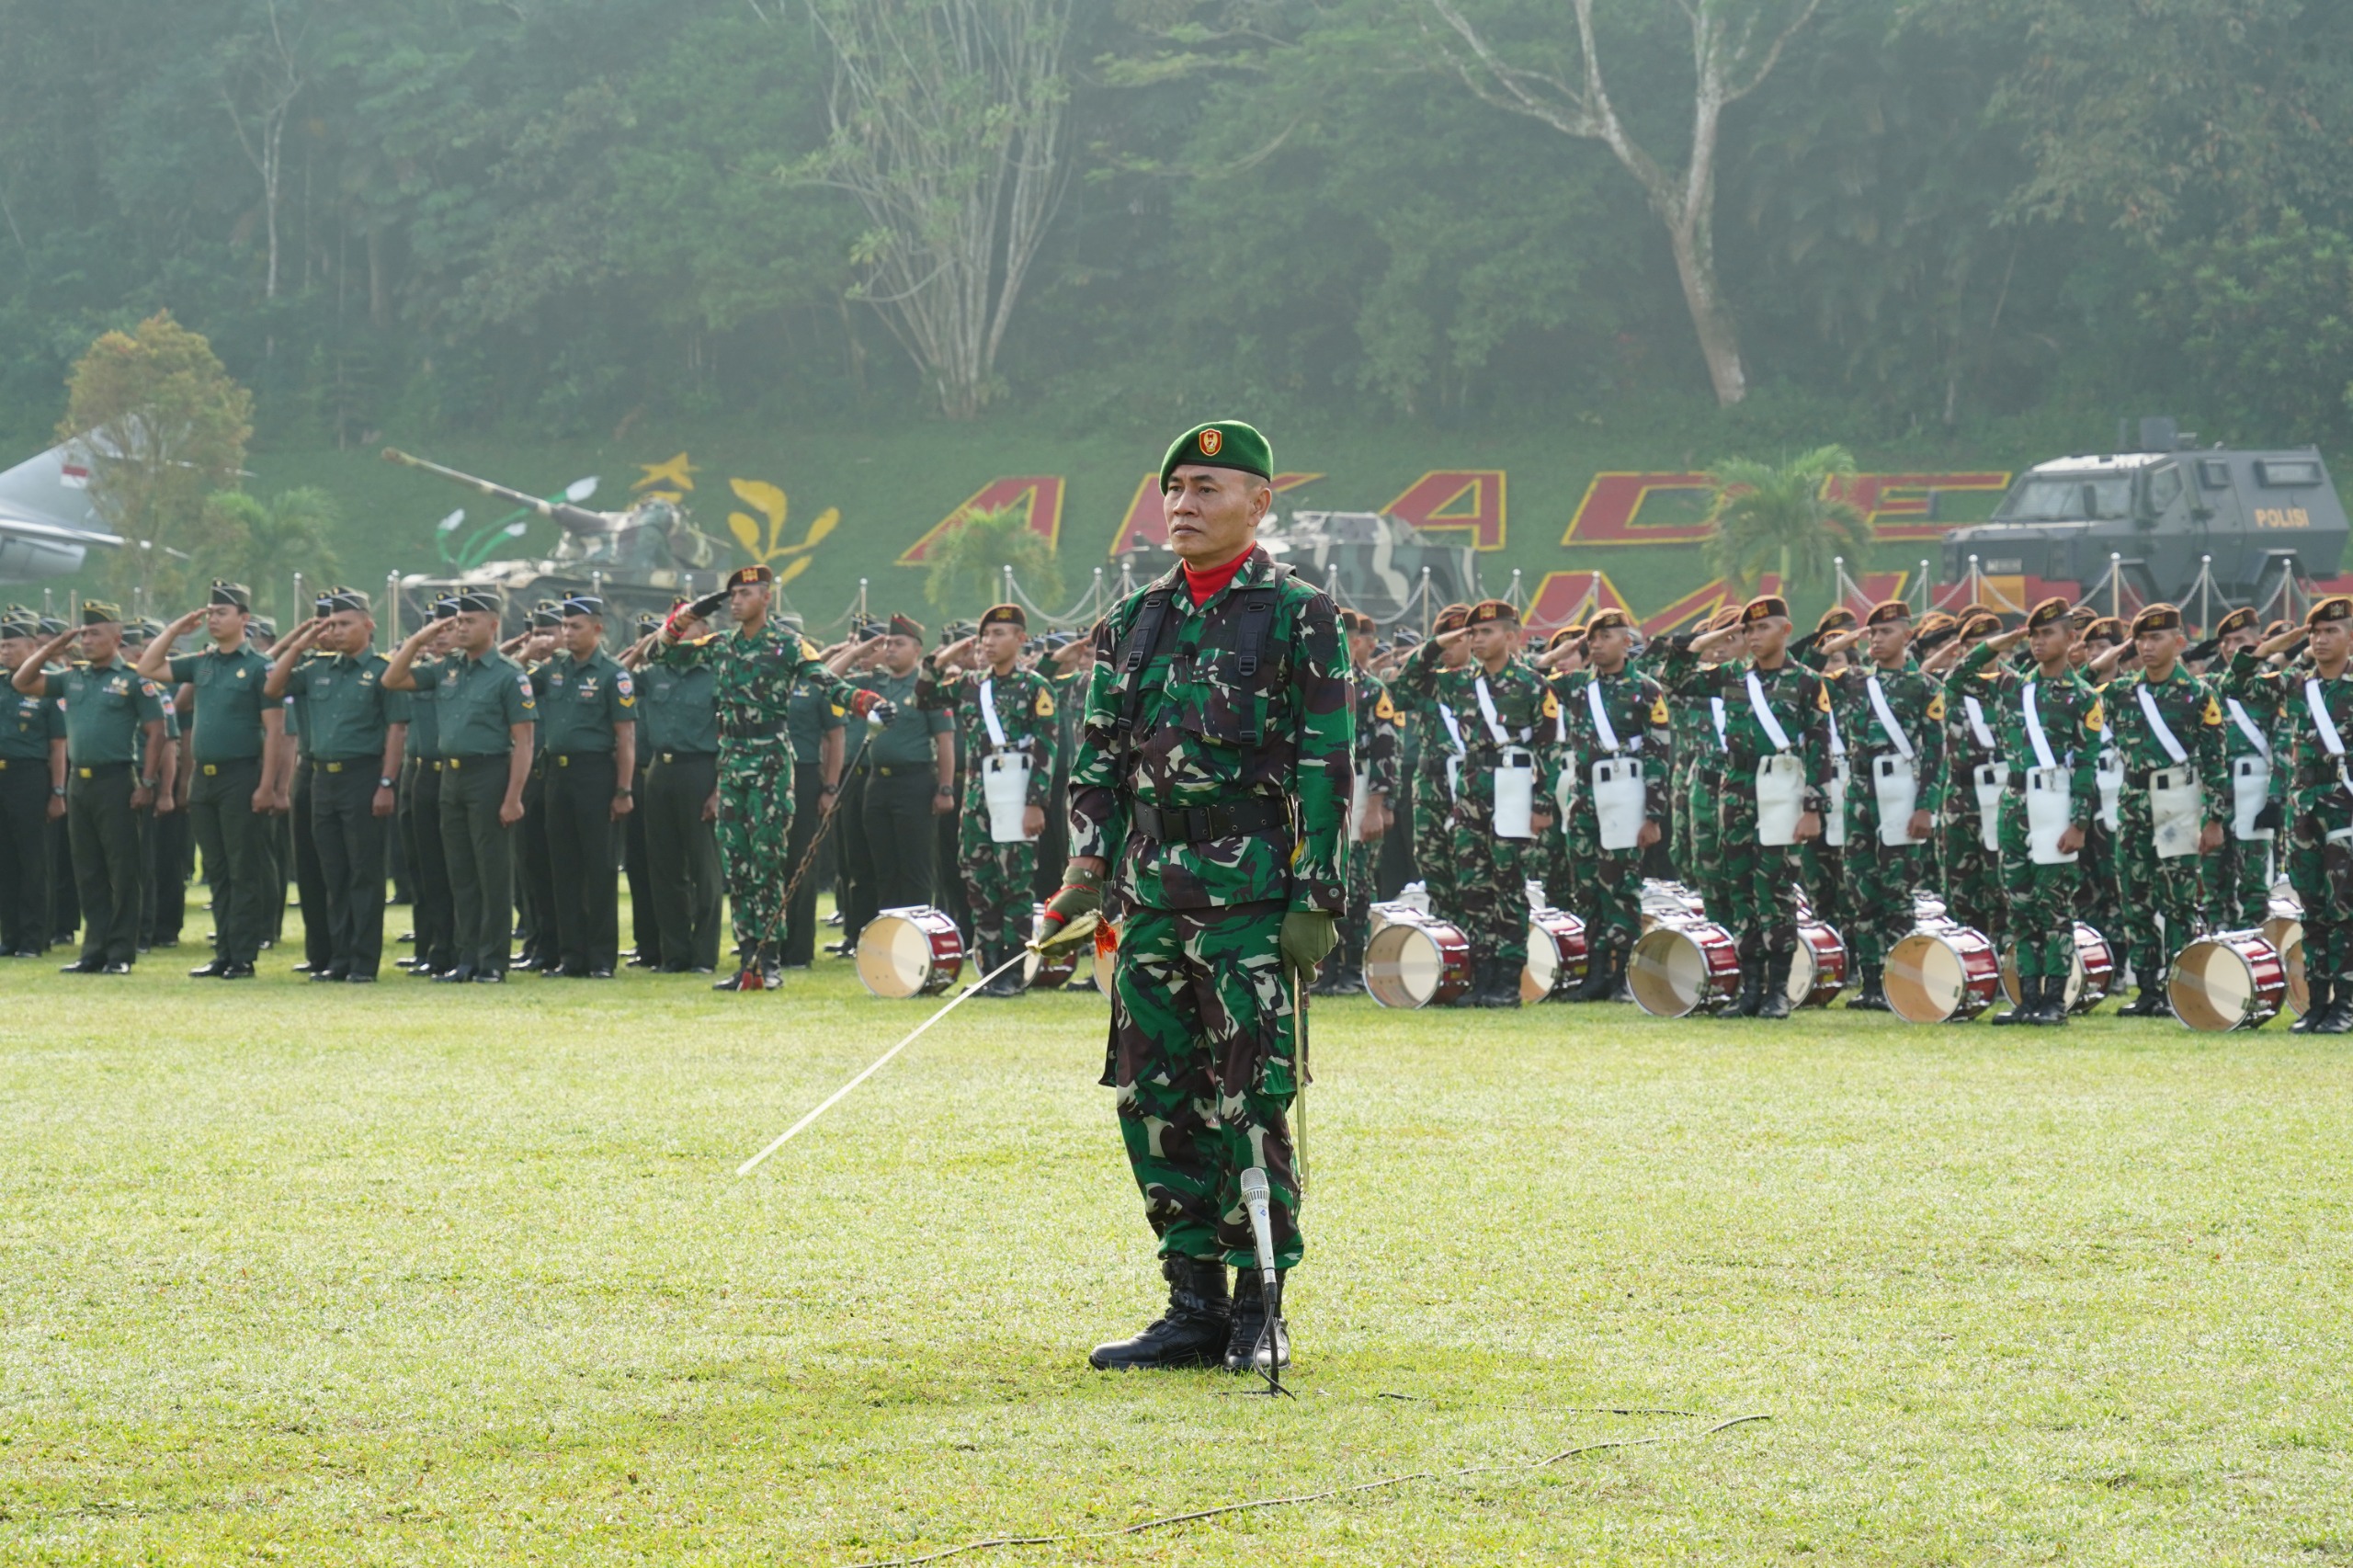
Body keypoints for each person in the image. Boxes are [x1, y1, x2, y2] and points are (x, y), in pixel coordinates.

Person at [1043, 418, 1349, 1375]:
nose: (1183, 502)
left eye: (1208, 486)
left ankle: (1262, 1301)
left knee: (1250, 1096)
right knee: (1153, 1094)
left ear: (1260, 502)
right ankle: (1192, 1303)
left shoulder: (1300, 614)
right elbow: (1096, 760)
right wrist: (1081, 879)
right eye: (1174, 486)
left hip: (1251, 897)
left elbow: (1326, 760)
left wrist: (1317, 895)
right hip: (1149, 900)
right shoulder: (1135, 617)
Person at [654, 563, 883, 991]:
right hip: (732, 759)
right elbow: (660, 653)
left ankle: (769, 957)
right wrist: (684, 617)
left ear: (766, 598)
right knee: (736, 864)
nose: (736, 601)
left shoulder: (789, 646)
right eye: (731, 595)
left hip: (771, 762)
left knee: (767, 861)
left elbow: (827, 683)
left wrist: (866, 702)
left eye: (745, 593)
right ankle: (747, 957)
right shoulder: (719, 644)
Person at [1661, 595, 1830, 1018]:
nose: (1754, 637)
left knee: (1774, 890)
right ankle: (1749, 988)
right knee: (1739, 888)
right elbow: (1675, 677)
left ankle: (1778, 991)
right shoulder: (1732, 675)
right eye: (1748, 630)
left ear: (1786, 630)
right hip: (1735, 788)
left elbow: (1821, 747)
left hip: (1781, 788)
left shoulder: (1807, 681)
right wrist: (1712, 636)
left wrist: (1813, 807)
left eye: (1763, 628)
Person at [1391, 600, 1558, 1007]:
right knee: (1473, 886)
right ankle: (1480, 973)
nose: (1478, 640)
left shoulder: (1532, 685)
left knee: (1508, 883)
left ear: (1512, 637)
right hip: (1470, 791)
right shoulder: (1460, 681)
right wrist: (1438, 642)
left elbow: (1551, 747)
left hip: (1515, 785)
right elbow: (1402, 688)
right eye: (1473, 634)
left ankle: (1507, 975)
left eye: (1487, 632)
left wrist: (1543, 805)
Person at [1953, 598, 2103, 1024]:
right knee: (2018, 906)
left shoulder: (2082, 696)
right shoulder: (2009, 686)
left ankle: (2055, 999)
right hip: (2015, 803)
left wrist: (2078, 824)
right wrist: (2004, 641)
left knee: (2053, 908)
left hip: (2057, 802)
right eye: (2033, 635)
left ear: (2071, 639)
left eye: (2047, 633)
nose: (2038, 642)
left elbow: (2087, 763)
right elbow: (1957, 676)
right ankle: (2027, 998)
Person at [384, 589, 536, 983]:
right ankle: (467, 957)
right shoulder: (447, 668)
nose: (461, 627)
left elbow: (524, 741)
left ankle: (493, 961)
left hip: (489, 775)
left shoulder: (507, 674)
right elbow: (392, 678)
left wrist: (514, 797)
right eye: (457, 621)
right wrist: (419, 639)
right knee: (461, 873)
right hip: (450, 778)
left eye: (470, 621)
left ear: (493, 624)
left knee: (492, 872)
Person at [11, 601, 170, 973]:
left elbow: (157, 731)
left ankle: (120, 953)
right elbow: (22, 681)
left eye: (95, 633)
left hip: (116, 781)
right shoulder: (72, 676)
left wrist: (147, 782)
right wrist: (51, 648)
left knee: (122, 870)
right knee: (88, 870)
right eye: (83, 634)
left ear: (116, 637)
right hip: (79, 782)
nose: (87, 640)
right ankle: (93, 949)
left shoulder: (134, 680)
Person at [139, 583, 283, 979]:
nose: (213, 619)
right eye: (209, 613)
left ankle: (243, 955)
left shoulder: (260, 667)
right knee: (217, 869)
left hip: (241, 775)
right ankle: (223, 951)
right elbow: (148, 668)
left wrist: (267, 785)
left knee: (242, 868)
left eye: (222, 612)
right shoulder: (201, 662)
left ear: (244, 618)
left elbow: (274, 731)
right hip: (205, 777)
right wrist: (174, 631)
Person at [265, 587, 409, 982]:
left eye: (345, 623)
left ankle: (363, 962)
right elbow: (272, 687)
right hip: (322, 781)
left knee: (364, 873)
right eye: (331, 624)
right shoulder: (317, 669)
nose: (338, 631)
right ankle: (338, 958)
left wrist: (386, 783)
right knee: (333, 873)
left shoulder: (383, 670)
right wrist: (301, 644)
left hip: (362, 776)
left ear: (368, 623)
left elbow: (396, 731)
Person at [919, 604, 1061, 996]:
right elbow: (925, 694)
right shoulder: (971, 685)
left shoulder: (1036, 687)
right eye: (986, 636)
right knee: (978, 882)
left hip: (1017, 797)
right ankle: (990, 969)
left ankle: (1014, 969)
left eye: (1000, 634)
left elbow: (1047, 748)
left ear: (1020, 639)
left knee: (1014, 881)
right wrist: (945, 655)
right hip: (978, 801)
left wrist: (1036, 803)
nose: (990, 642)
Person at [2093, 602, 2226, 1015]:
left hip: (2177, 804)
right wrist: (2107, 658)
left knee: (2178, 902)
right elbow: (2075, 691)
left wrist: (2216, 819)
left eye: (2157, 638)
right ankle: (2147, 990)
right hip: (2133, 802)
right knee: (2135, 900)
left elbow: (2215, 761)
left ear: (2179, 642)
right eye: (2140, 640)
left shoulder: (2198, 694)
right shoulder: (2119, 693)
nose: (2147, 647)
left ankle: (2179, 989)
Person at [1813, 600, 1945, 1011]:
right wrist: (1847, 638)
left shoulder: (1924, 687)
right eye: (1872, 632)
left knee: (1898, 892)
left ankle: (1903, 978)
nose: (1876, 639)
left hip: (1902, 794)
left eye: (1885, 632)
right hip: (1860, 795)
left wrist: (1927, 807)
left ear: (1907, 636)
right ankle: (1872, 983)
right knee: (1861, 890)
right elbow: (1801, 673)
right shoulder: (1852, 681)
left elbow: (1936, 754)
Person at [1557, 608, 1665, 1001]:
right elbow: (1534, 676)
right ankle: (1596, 971)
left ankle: (1622, 973)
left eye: (1607, 637)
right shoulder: (1575, 686)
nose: (1597, 645)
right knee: (1587, 884)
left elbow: (1657, 754)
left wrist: (1653, 815)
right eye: (1593, 639)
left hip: (1626, 793)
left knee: (1620, 885)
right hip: (1585, 796)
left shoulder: (1646, 690)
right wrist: (1564, 649)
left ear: (1627, 641)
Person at [527, 594, 636, 977]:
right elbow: (517, 685)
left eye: (575, 627)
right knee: (564, 868)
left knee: (599, 868)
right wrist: (529, 652)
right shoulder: (554, 668)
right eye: (565, 626)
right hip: (557, 774)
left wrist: (623, 790)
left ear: (598, 629)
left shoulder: (612, 673)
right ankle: (571, 957)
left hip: (595, 774)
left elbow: (625, 737)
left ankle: (602, 958)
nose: (567, 634)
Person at [2261, 598, 2353, 1032]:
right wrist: (2290, 639)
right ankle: (2316, 1005)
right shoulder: (2297, 684)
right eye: (2315, 631)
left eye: (2331, 631)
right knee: (2313, 912)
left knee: (2346, 910)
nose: (2320, 639)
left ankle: (2347, 1005)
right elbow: (2240, 678)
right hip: (2305, 813)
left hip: (2346, 809)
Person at [626, 604, 724, 973]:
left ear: (705, 630)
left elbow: (729, 735)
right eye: (674, 625)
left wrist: (718, 789)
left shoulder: (716, 674)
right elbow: (617, 681)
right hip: (658, 773)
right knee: (664, 869)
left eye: (688, 624)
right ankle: (675, 953)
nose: (680, 631)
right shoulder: (653, 674)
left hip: (700, 771)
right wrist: (646, 646)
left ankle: (703, 955)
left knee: (704, 869)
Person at [1316, 608, 1397, 996]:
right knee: (1320, 879)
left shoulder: (1371, 690)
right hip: (1323, 787)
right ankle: (1326, 966)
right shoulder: (1317, 686)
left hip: (1361, 786)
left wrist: (1378, 807)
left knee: (1357, 884)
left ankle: (1352, 968)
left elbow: (1385, 751)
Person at [853, 614, 954, 920]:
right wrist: (859, 651)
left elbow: (945, 741)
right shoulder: (876, 682)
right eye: (887, 643)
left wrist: (945, 789)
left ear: (916, 650)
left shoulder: (926, 687)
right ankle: (889, 936)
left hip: (914, 783)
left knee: (915, 868)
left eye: (898, 643)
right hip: (877, 784)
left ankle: (920, 937)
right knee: (884, 868)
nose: (890, 649)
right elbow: (829, 677)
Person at [2205, 605, 2282, 930]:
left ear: (2258, 642)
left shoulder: (2271, 687)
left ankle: (2257, 950)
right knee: (2214, 879)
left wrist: (2276, 797)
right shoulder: (2207, 686)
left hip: (2256, 789)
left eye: (2239, 639)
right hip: (2217, 793)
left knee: (2255, 881)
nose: (2230, 647)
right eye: (2225, 641)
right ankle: (2218, 943)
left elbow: (2284, 745)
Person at [1392, 603, 1471, 915]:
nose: (1448, 646)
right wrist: (1434, 645)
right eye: (1442, 638)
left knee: (1472, 871)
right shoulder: (1429, 683)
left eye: (1457, 637)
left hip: (1471, 785)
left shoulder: (1486, 682)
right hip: (1430, 789)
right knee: (1432, 867)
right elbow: (1401, 686)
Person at [397, 600, 460, 977]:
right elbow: (391, 674)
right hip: (418, 771)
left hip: (453, 772)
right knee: (422, 868)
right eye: (433, 631)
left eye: (447, 629)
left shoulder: (465, 675)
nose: (439, 638)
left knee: (453, 869)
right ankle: (429, 947)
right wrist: (420, 641)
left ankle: (453, 947)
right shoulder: (423, 671)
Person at [0, 606, 65, 956]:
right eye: (2, 645)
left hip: (30, 777)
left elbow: (58, 745)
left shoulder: (48, 685)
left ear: (30, 648)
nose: (5, 651)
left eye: (12, 645)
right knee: (5, 861)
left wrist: (57, 791)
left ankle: (34, 937)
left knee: (34, 861)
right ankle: (9, 936)